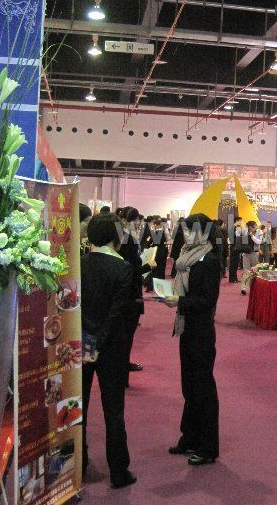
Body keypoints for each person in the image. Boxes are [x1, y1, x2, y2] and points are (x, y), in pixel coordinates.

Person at [80, 213, 137, 488]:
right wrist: (100, 342)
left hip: (81, 343)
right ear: (116, 235)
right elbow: (117, 313)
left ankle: (78, 464)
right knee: (113, 410)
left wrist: (90, 341)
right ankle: (118, 471)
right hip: (112, 347)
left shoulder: (78, 264)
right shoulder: (123, 268)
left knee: (78, 407)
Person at [164, 214, 221, 466]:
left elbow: (207, 300)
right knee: (188, 386)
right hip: (186, 327)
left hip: (201, 330)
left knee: (203, 388)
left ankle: (208, 447)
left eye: (191, 231)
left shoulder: (209, 260)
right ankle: (190, 437)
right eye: (185, 231)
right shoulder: (186, 256)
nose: (187, 236)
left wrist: (180, 301)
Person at [117, 207, 155, 379]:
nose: (138, 223)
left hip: (126, 291)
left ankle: (123, 365)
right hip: (130, 293)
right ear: (125, 221)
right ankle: (122, 368)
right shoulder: (127, 240)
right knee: (126, 335)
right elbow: (132, 269)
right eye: (135, 220)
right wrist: (147, 266)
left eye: (139, 220)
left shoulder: (123, 238)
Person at [239, 221, 263, 295]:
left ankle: (254, 288)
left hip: (255, 253)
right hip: (246, 253)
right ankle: (243, 288)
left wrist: (252, 236)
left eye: (254, 226)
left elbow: (259, 242)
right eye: (252, 227)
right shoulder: (245, 232)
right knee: (246, 270)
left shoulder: (259, 232)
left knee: (255, 271)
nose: (254, 228)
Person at [151, 217, 171, 282]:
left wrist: (150, 245)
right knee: (163, 265)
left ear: (156, 224)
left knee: (158, 266)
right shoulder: (164, 231)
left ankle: (157, 279)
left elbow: (155, 243)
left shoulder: (157, 232)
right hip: (164, 250)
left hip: (158, 251)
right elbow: (168, 240)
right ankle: (162, 278)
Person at [227, 217, 243, 283]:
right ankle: (232, 279)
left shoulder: (235, 228)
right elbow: (231, 239)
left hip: (236, 248)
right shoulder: (232, 228)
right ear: (237, 221)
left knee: (235, 264)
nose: (241, 222)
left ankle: (235, 278)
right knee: (233, 264)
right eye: (240, 221)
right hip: (234, 248)